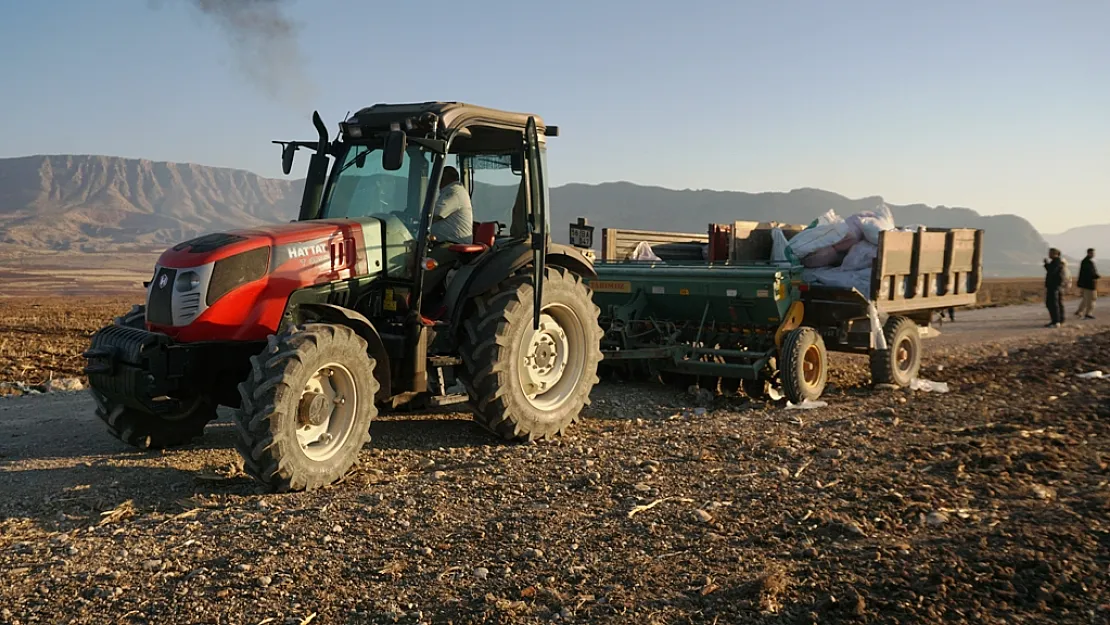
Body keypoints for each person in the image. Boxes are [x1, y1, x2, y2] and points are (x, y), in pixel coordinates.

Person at [423, 166, 474, 298]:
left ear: (445, 178)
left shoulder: (454, 192)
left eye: (440, 177)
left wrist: (415, 217)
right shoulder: (451, 191)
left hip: (452, 245)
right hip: (442, 242)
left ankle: (420, 298)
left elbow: (435, 214)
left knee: (424, 267)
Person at [1043, 248, 1068, 328]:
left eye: (1051, 253)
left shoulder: (1056, 262)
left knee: (1052, 303)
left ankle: (1056, 321)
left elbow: (1052, 271)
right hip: (1056, 286)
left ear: (1056, 254)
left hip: (1054, 286)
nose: (1049, 254)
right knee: (1057, 303)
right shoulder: (1056, 262)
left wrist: (1046, 264)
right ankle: (1060, 319)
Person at [1075, 248, 1099, 319]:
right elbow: (1090, 273)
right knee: (1092, 298)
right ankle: (1088, 313)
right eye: (1092, 253)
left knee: (1086, 298)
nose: (1093, 254)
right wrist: (1096, 276)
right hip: (1089, 284)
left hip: (1085, 284)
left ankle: (1080, 311)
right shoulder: (1088, 262)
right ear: (1089, 253)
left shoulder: (1085, 261)